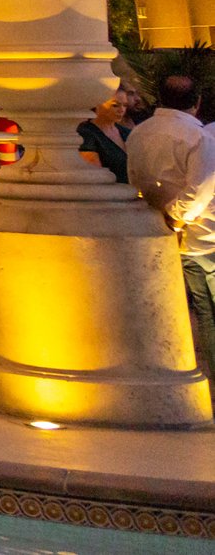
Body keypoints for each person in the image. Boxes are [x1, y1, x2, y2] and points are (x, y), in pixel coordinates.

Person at [130, 73, 215, 383]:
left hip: (157, 234)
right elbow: (202, 189)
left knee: (192, 312)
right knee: (205, 312)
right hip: (201, 236)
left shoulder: (138, 134)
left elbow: (135, 183)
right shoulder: (200, 137)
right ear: (197, 102)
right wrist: (176, 218)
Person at [78, 91, 134, 184]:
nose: (122, 110)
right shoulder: (86, 133)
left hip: (130, 191)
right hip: (106, 192)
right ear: (98, 104)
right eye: (115, 105)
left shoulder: (126, 133)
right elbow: (94, 173)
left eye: (125, 105)